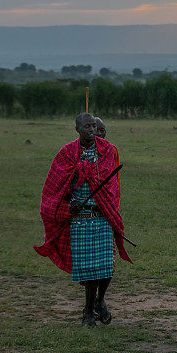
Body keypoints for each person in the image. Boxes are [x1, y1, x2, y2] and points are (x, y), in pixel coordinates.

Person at [34, 113, 131, 326]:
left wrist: (108, 206)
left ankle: (99, 302)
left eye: (94, 126)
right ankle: (88, 312)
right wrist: (71, 202)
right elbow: (57, 185)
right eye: (86, 127)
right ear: (77, 129)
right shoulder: (67, 153)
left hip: (103, 214)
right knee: (90, 270)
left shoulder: (106, 151)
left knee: (106, 266)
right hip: (80, 218)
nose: (91, 130)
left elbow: (112, 187)